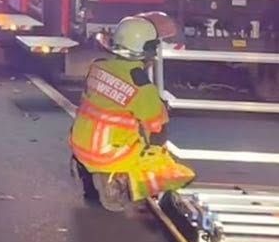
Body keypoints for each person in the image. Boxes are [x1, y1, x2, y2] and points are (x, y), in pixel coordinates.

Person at [68, 13, 195, 210]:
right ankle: (116, 183)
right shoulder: (142, 87)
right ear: (148, 50)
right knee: (162, 159)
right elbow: (157, 128)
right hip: (108, 154)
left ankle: (85, 171)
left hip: (80, 145)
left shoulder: (97, 66)